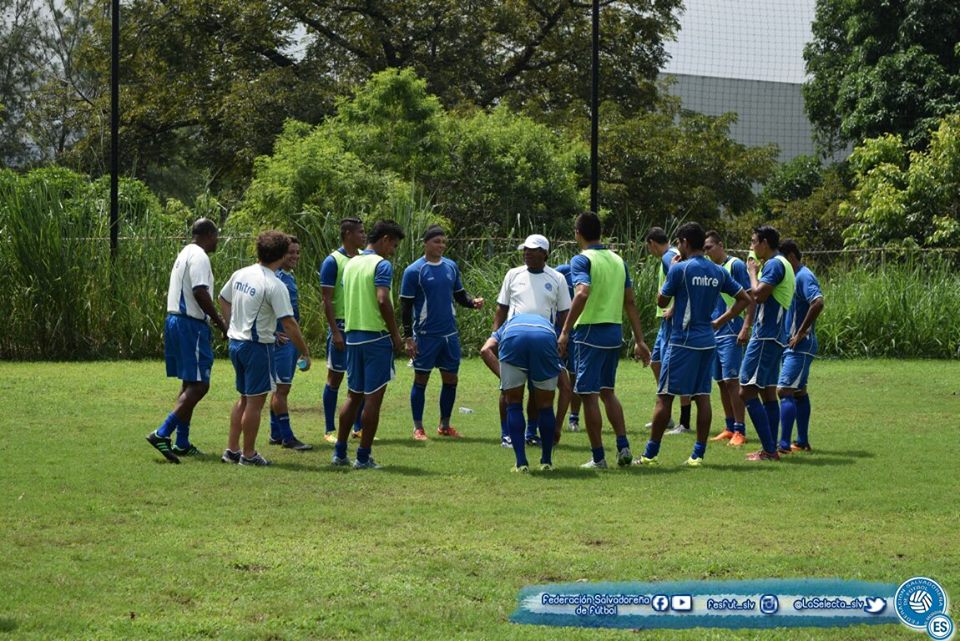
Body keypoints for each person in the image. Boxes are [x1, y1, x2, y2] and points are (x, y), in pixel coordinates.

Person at [637, 223, 750, 467]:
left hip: (682, 342)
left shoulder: (681, 269)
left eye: (679, 243)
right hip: (707, 341)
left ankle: (649, 454)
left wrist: (673, 272)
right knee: (702, 397)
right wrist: (720, 321)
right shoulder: (718, 271)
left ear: (686, 243)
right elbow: (744, 298)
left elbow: (661, 299)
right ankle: (697, 455)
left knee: (664, 397)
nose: (678, 247)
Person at [558, 212, 651, 469]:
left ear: (578, 233)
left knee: (588, 395)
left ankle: (598, 457)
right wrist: (640, 340)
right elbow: (630, 301)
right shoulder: (618, 260)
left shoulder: (581, 260)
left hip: (589, 333)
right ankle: (623, 448)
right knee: (608, 392)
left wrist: (565, 330)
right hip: (614, 334)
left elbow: (582, 292)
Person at [219, 231, 311, 466]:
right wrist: (305, 351)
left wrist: (231, 325)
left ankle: (232, 450)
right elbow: (289, 323)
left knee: (243, 398)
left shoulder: (241, 273)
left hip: (236, 344)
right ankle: (248, 455)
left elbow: (223, 298)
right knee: (254, 403)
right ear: (280, 255)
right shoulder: (274, 284)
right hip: (257, 347)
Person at [146, 218, 229, 464]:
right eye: (216, 235)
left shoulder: (184, 252)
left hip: (176, 320)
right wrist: (220, 323)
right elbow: (199, 291)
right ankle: (162, 433)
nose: (218, 240)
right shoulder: (200, 256)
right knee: (200, 385)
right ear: (208, 235)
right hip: (189, 324)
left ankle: (181, 441)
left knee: (189, 382)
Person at [333, 220, 406, 469]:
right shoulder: (381, 265)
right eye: (393, 245)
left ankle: (340, 452)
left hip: (352, 336)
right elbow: (383, 299)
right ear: (385, 239)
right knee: (373, 399)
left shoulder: (352, 263)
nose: (393, 251)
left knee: (353, 396)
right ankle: (363, 457)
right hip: (376, 338)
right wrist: (396, 335)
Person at [400, 225, 484, 440]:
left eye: (444, 242)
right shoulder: (414, 271)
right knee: (421, 380)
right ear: (426, 243)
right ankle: (418, 428)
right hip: (425, 336)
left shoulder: (451, 267)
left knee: (451, 380)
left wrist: (472, 303)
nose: (441, 246)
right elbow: (406, 307)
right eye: (437, 241)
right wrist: (408, 337)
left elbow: (459, 295)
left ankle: (444, 425)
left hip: (449, 335)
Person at [493, 235, 572, 447]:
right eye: (525, 249)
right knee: (507, 389)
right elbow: (502, 308)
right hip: (513, 339)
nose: (527, 253)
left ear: (545, 253)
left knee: (538, 390)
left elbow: (565, 313)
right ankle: (506, 433)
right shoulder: (513, 274)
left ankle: (530, 432)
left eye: (533, 250)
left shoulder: (557, 278)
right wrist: (496, 335)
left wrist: (563, 338)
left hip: (543, 341)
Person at [739, 225, 795, 461]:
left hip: (766, 336)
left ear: (764, 242)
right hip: (775, 337)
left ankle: (770, 450)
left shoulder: (773, 264)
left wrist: (752, 271)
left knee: (746, 390)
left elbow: (758, 294)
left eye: (753, 242)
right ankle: (769, 448)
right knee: (767, 393)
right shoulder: (783, 264)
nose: (751, 247)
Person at [480, 314, 562, 472]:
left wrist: (506, 378)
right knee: (546, 406)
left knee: (514, 404)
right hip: (544, 338)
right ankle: (546, 461)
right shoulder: (549, 324)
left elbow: (485, 350)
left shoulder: (508, 324)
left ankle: (521, 463)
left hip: (513, 338)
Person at [704, 230, 754, 447]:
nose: (706, 252)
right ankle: (729, 425)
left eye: (709, 247)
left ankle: (740, 430)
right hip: (714, 330)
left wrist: (746, 326)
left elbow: (750, 297)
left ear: (720, 245)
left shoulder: (735, 265)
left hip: (731, 330)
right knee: (721, 381)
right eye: (704, 248)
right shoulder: (711, 269)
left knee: (733, 380)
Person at [318, 218, 366, 443]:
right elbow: (326, 300)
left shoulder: (364, 259)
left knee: (360, 380)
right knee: (335, 377)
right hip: (341, 326)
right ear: (347, 234)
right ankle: (329, 429)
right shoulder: (333, 261)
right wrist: (335, 331)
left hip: (360, 326)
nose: (364, 236)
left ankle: (358, 427)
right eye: (360, 232)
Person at [777, 240, 824, 453]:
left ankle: (784, 445)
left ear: (790, 257)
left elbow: (818, 302)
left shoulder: (804, 276)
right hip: (793, 344)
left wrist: (801, 331)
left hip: (800, 345)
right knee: (798, 392)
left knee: (783, 389)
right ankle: (802, 441)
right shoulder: (792, 277)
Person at [644, 227, 692, 434]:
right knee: (656, 362)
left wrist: (674, 308)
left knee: (676, 371)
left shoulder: (668, 258)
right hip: (665, 324)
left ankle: (685, 422)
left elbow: (684, 284)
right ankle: (667, 417)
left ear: (652, 243)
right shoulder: (671, 256)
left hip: (673, 323)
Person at [267, 236, 312, 451]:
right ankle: (287, 437)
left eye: (297, 252)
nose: (295, 257)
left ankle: (275, 433)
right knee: (281, 389)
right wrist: (272, 332)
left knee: (279, 389)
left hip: (290, 341)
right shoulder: (274, 278)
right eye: (290, 253)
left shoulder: (288, 277)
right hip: (282, 343)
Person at [554, 262, 581, 432]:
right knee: (552, 373)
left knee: (574, 374)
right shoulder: (563, 271)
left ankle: (574, 417)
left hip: (579, 332)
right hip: (559, 330)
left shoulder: (592, 275)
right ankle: (548, 417)